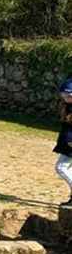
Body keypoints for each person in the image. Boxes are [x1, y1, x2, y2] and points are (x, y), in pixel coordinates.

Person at [54, 77, 72, 206]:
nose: (65, 97)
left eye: (68, 95)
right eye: (63, 95)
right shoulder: (68, 106)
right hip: (68, 142)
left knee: (61, 167)